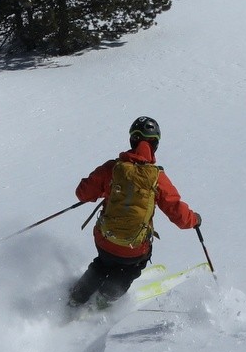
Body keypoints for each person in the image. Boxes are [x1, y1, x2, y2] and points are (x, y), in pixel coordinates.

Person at [67, 116, 201, 309]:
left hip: (105, 239)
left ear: (132, 140)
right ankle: (105, 298)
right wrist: (194, 219)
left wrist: (107, 189)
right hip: (135, 248)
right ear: (155, 144)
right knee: (129, 269)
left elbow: (82, 193)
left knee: (103, 263)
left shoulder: (112, 168)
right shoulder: (158, 178)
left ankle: (77, 296)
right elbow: (179, 215)